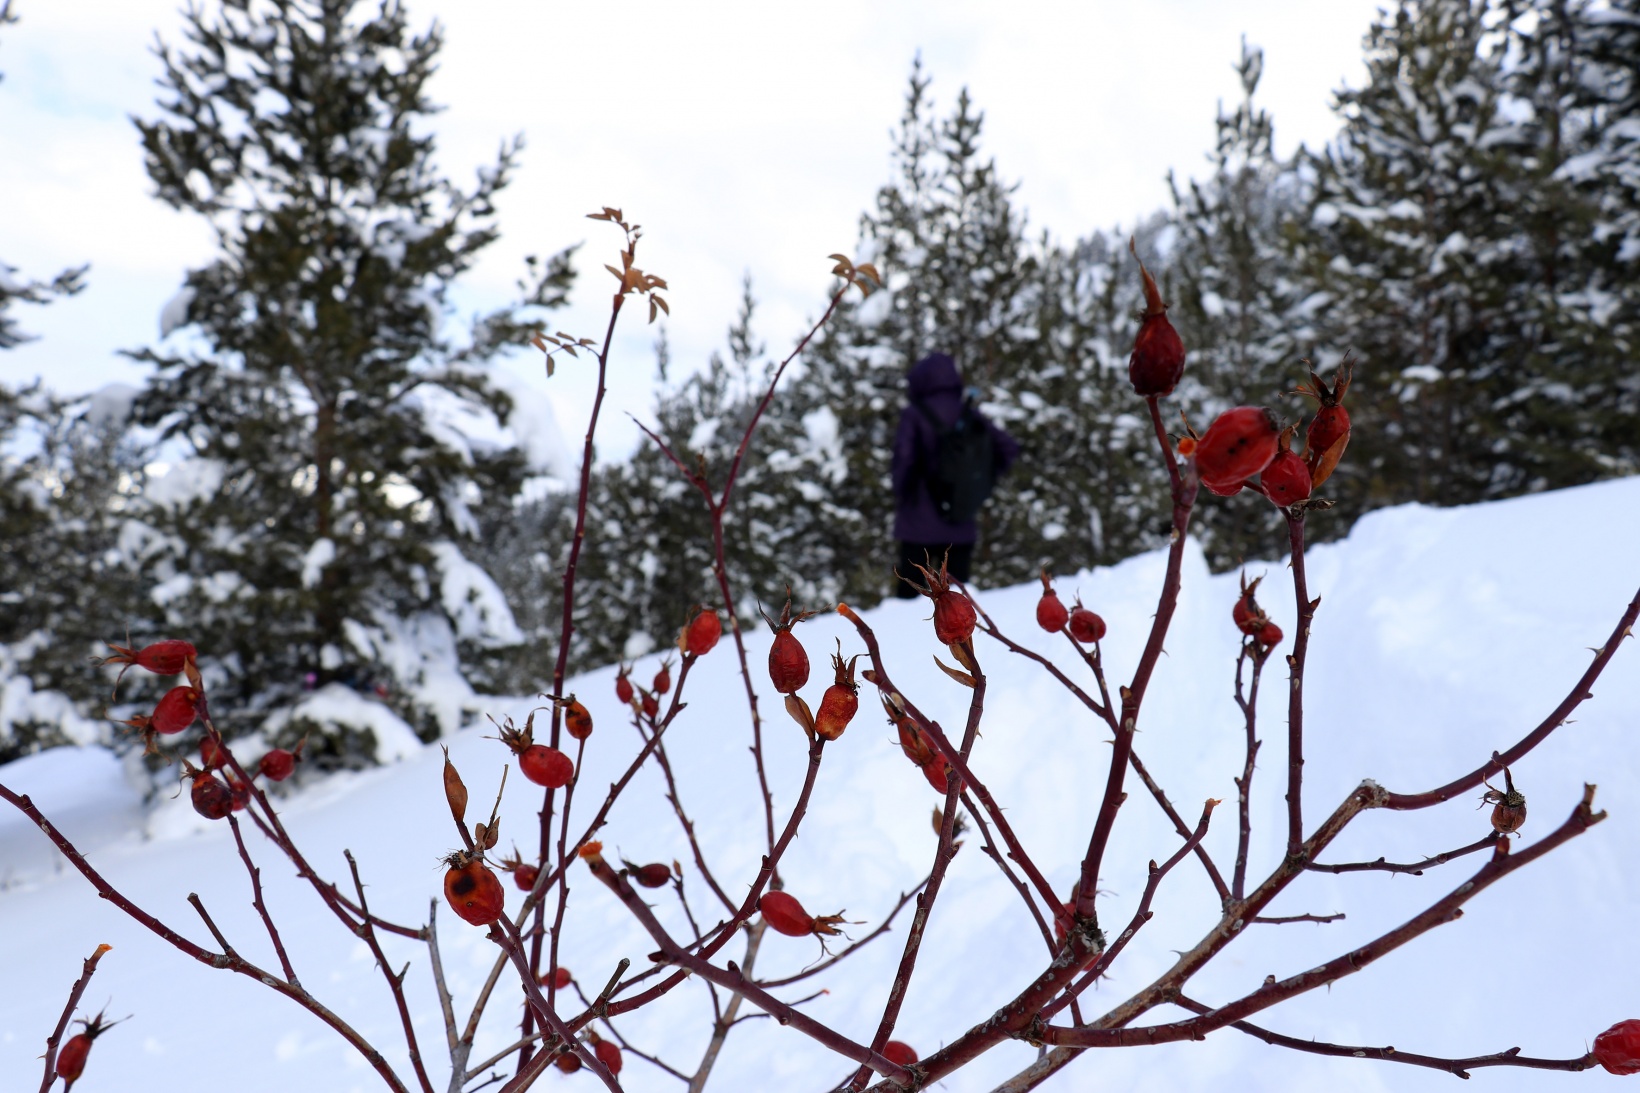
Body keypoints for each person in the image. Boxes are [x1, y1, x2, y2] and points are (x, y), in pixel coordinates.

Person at [890, 352, 1020, 597]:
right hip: (961, 521)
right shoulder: (967, 412)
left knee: (908, 601)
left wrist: (903, 494)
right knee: (958, 602)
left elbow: (904, 459)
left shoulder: (915, 414)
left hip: (918, 523)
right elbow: (1008, 447)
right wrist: (980, 484)